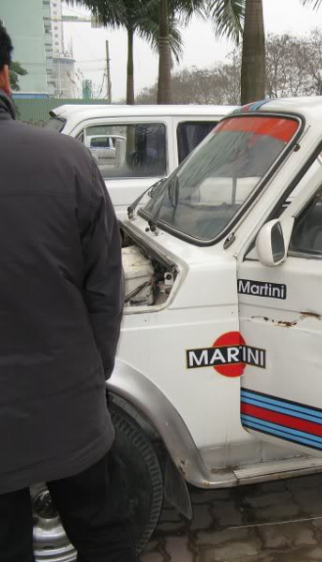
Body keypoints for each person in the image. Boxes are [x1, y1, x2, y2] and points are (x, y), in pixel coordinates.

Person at [0, 23, 136, 562]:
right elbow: (107, 288)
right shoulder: (66, 160)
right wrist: (88, 373)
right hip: (66, 410)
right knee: (105, 535)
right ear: (6, 75)